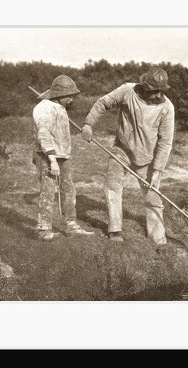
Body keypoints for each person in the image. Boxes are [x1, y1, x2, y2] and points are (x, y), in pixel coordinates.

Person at [81, 66, 175, 245]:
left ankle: (158, 238)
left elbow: (166, 142)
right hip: (122, 150)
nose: (157, 95)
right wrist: (88, 124)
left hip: (148, 158)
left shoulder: (167, 109)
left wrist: (158, 170)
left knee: (153, 196)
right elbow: (103, 103)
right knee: (113, 186)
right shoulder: (127, 91)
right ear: (145, 86)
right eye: (153, 91)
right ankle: (115, 230)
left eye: (161, 92)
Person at [32, 75, 94, 241]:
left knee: (68, 189)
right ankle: (44, 229)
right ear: (59, 95)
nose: (72, 99)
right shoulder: (44, 108)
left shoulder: (59, 107)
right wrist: (52, 160)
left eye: (73, 96)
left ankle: (71, 225)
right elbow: (43, 134)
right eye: (69, 96)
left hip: (62, 155)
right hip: (47, 155)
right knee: (48, 190)